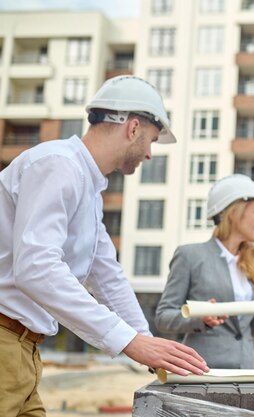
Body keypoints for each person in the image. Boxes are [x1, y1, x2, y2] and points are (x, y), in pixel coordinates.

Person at [0, 75, 209, 417]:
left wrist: (147, 344)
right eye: (151, 141)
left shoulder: (87, 188)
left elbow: (106, 275)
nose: (149, 154)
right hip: (5, 344)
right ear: (133, 127)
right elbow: (36, 267)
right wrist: (130, 341)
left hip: (23, 351)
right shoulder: (59, 165)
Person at [155, 174, 254, 369]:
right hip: (204, 370)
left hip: (246, 371)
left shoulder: (253, 262)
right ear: (234, 212)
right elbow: (163, 317)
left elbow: (245, 330)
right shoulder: (190, 256)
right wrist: (199, 318)